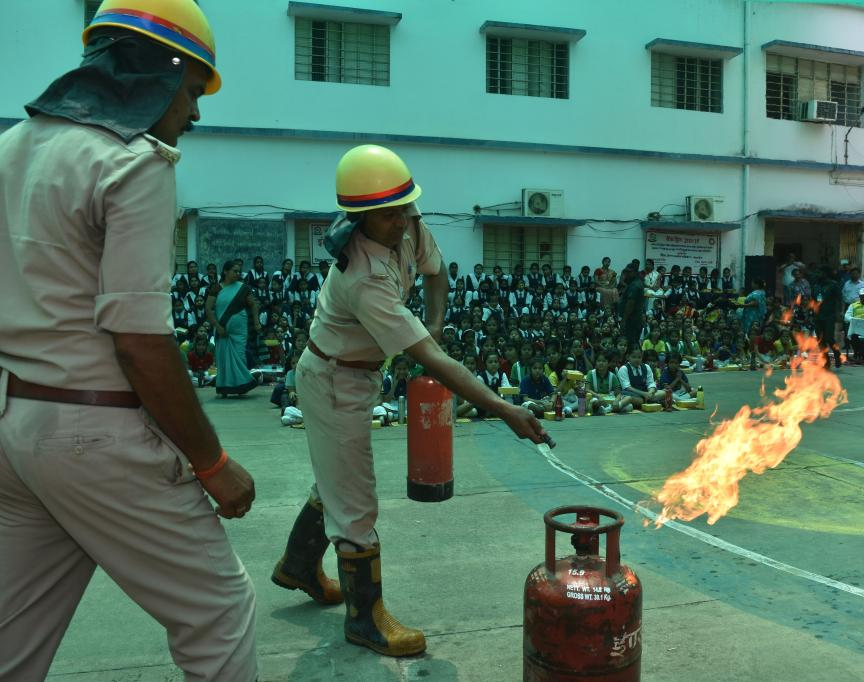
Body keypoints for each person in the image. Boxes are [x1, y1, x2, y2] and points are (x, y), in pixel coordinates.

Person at [0, 2, 259, 680]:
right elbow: (141, 343)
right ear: (158, 73)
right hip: (96, 434)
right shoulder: (134, 163)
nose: (195, 115)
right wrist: (211, 463)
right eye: (193, 91)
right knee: (218, 613)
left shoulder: (8, 149)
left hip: (13, 428)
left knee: (13, 636)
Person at [272, 144, 546, 658]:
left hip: (357, 373)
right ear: (358, 216)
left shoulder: (407, 221)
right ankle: (364, 619)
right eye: (389, 213)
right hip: (332, 379)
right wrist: (505, 408)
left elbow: (437, 271)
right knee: (355, 500)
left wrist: (435, 324)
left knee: (337, 478)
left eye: (405, 207)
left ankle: (298, 565)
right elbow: (439, 364)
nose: (402, 220)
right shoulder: (363, 276)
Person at [206, 261, 261, 397]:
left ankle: (242, 385)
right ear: (225, 271)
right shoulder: (216, 288)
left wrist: (256, 322)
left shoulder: (243, 288)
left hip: (239, 330)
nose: (237, 274)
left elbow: (254, 305)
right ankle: (224, 387)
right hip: (222, 329)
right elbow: (208, 308)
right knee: (223, 357)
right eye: (234, 271)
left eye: (238, 271)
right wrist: (217, 326)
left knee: (239, 356)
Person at [619, 267, 646, 349]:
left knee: (631, 343)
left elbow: (630, 304)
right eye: (625, 273)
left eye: (628, 273)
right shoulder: (636, 283)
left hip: (631, 320)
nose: (625, 276)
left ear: (634, 273)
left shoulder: (634, 285)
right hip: (635, 319)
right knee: (632, 342)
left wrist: (624, 320)